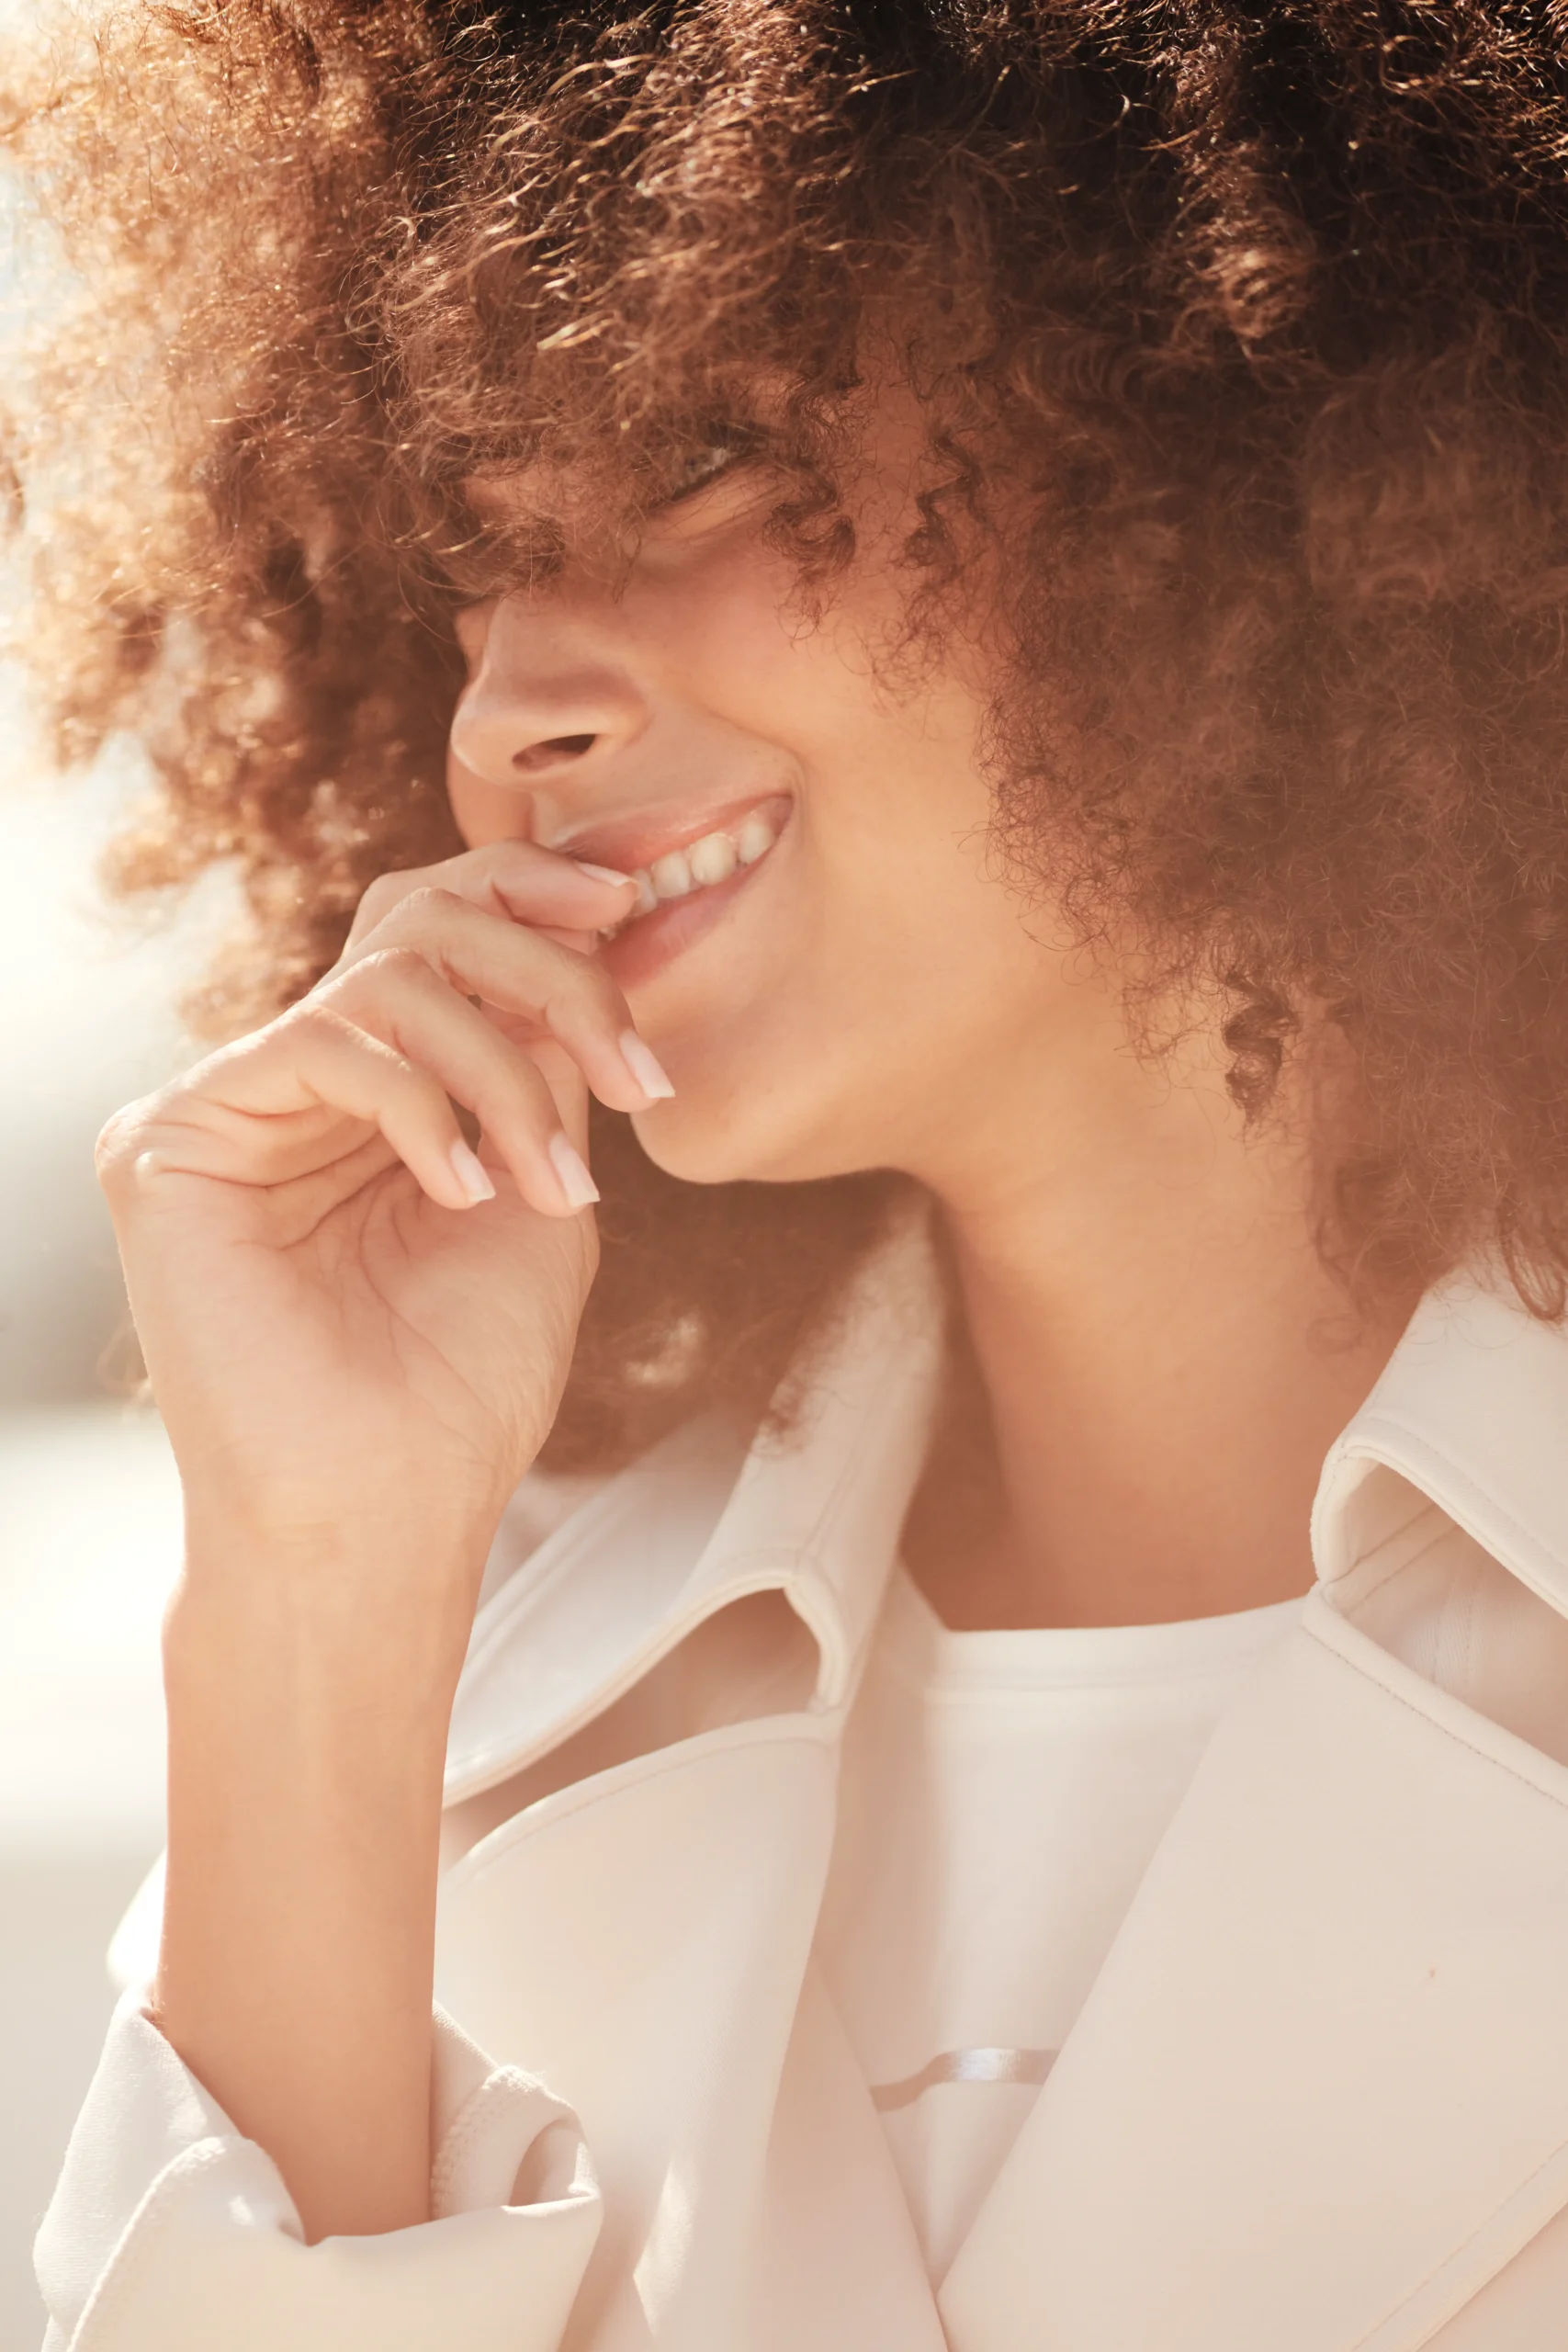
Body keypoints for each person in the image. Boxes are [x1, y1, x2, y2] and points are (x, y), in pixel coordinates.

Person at [15, 1, 1568, 2343]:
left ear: (1229, 430)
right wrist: (315, 1594)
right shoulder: (440, 1712)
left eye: (710, 459)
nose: (504, 709)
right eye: (471, 558)